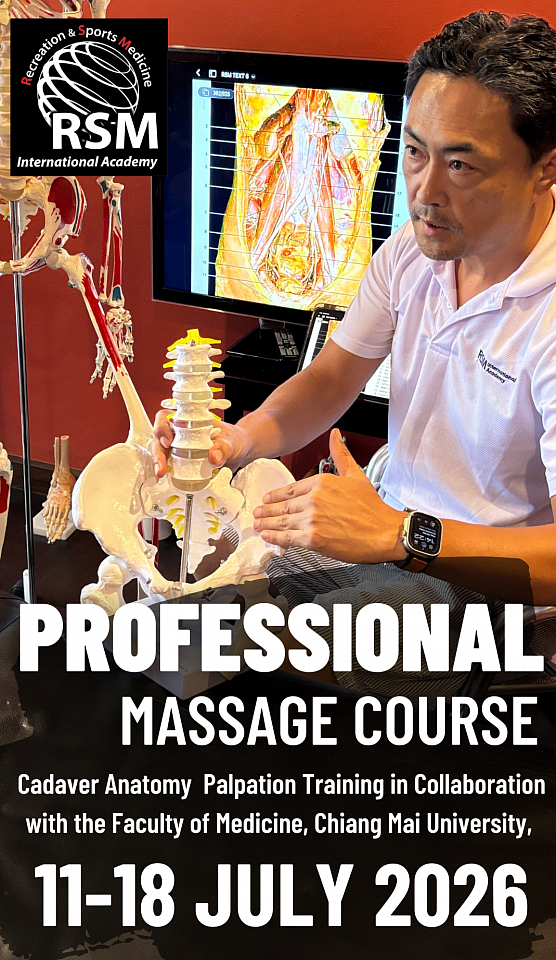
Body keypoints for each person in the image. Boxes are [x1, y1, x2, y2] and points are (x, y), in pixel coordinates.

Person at [153, 12, 556, 695]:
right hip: (384, 509)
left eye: (460, 164)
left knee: (257, 655)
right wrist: (237, 440)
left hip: (484, 577)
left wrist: (401, 535)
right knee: (186, 607)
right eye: (415, 152)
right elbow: (331, 379)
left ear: (547, 167)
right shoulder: (413, 252)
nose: (424, 193)